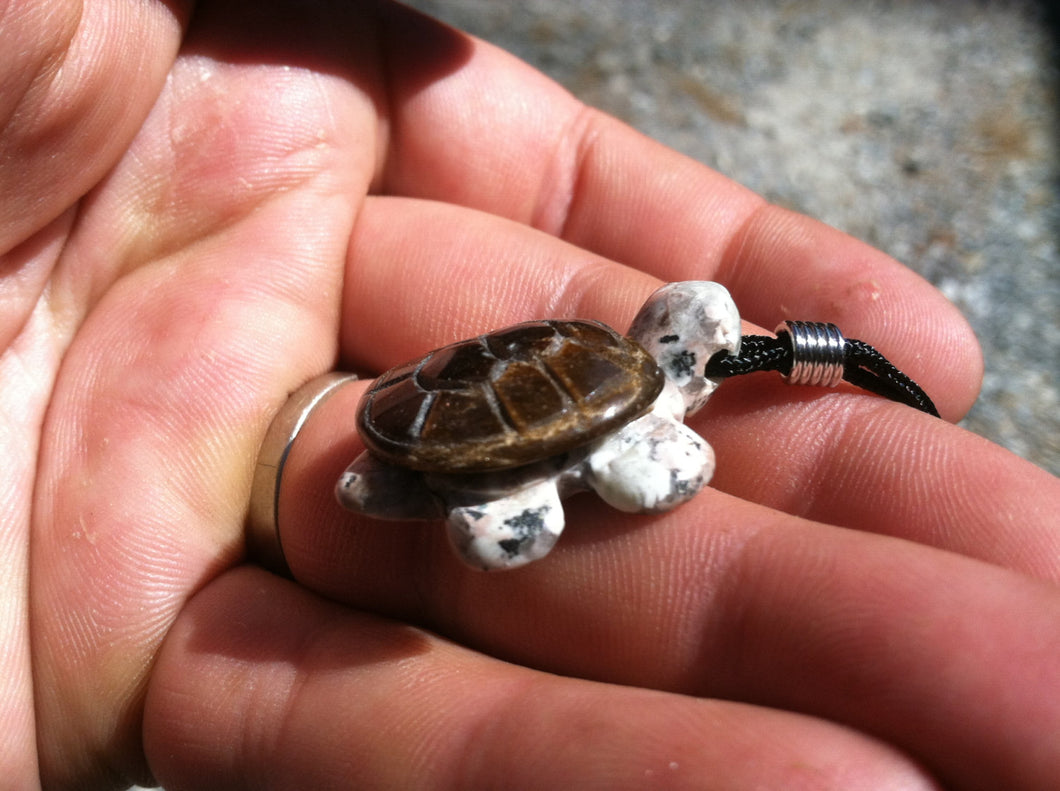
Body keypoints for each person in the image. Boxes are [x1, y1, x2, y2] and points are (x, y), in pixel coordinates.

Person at [2, 1, 1057, 788]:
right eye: (704, 336)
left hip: (430, 418)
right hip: (470, 431)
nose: (707, 338)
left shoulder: (636, 378)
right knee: (567, 500)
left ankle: (454, 489)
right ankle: (468, 493)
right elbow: (664, 452)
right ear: (675, 348)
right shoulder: (650, 405)